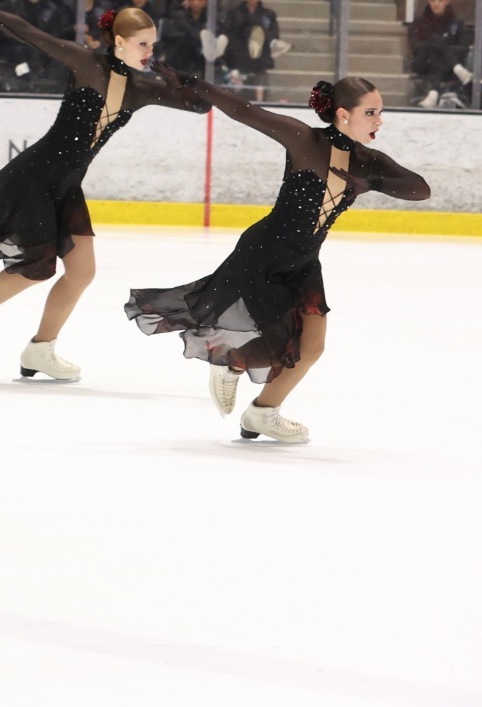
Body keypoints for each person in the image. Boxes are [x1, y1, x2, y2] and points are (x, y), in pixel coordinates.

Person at [0, 0, 210, 379]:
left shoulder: (142, 89)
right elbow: (27, 32)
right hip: (36, 176)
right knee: (38, 265)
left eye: (153, 44)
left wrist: (183, 82)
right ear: (119, 41)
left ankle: (41, 349)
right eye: (142, 44)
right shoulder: (84, 63)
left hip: (67, 185)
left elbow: (201, 106)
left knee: (81, 271)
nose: (149, 52)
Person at [127, 77, 430, 443]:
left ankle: (262, 412)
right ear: (343, 114)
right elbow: (245, 111)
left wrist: (374, 183)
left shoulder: (367, 161)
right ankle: (231, 363)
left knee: (312, 348)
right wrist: (192, 82)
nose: (379, 121)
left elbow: (420, 189)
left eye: (379, 112)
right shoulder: (306, 141)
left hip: (304, 262)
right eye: (370, 113)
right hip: (264, 254)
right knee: (282, 347)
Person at [406, 0, 473, 105]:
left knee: (439, 56)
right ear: (429, 1)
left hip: (444, 66)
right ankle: (458, 69)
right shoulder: (420, 21)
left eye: (440, 0)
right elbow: (416, 47)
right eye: (433, 0)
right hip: (424, 62)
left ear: (447, 1)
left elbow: (463, 48)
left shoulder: (456, 21)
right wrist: (439, 48)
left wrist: (442, 52)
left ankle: (433, 93)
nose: (436, 4)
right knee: (435, 40)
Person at [217, 0, 278, 98]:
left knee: (260, 105)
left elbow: (273, 38)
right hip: (236, 66)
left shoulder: (268, 15)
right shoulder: (234, 13)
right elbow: (227, 35)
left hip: (258, 66)